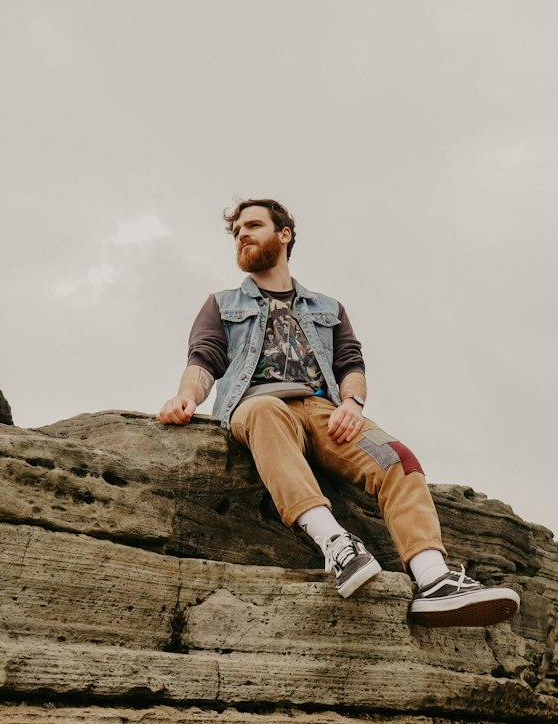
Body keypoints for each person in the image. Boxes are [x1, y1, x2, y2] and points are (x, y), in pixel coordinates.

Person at [158, 198, 520, 628]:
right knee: (266, 412)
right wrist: (186, 397)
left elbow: (350, 363)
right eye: (237, 232)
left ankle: (433, 580)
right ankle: (337, 544)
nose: (243, 235)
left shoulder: (327, 308)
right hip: (257, 405)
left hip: (324, 409)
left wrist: (352, 403)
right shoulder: (221, 303)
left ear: (284, 234)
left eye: (253, 226)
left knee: (398, 459)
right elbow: (205, 358)